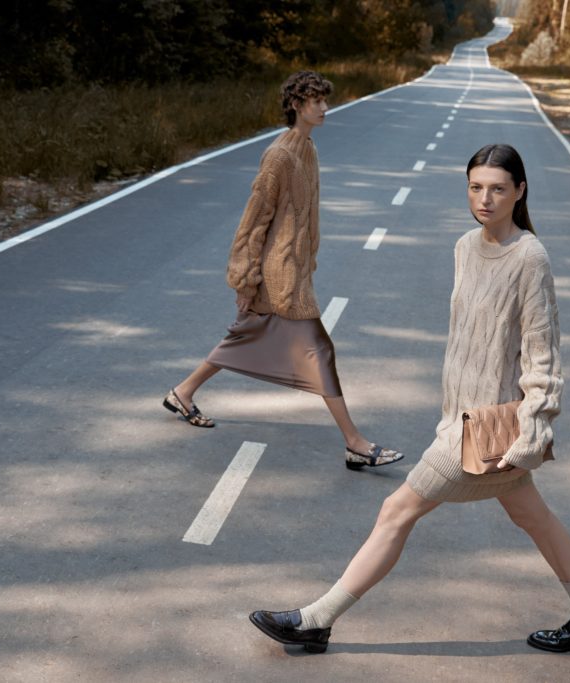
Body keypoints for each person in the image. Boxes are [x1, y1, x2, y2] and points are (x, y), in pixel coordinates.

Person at [249, 144, 570, 653]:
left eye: (498, 189)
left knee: (396, 510)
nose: (485, 199)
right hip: (460, 422)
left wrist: (532, 433)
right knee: (533, 516)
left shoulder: (530, 258)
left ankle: (317, 619)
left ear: (520, 191)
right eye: (475, 187)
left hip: (486, 431)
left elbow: (543, 357)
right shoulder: (465, 247)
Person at [162, 71, 403, 471]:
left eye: (325, 100)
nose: (325, 107)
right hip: (278, 276)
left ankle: (182, 392)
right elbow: (254, 221)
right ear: (296, 105)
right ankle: (355, 443)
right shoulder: (279, 157)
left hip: (295, 271)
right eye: (316, 101)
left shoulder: (307, 148)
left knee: (245, 336)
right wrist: (245, 279)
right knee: (319, 351)